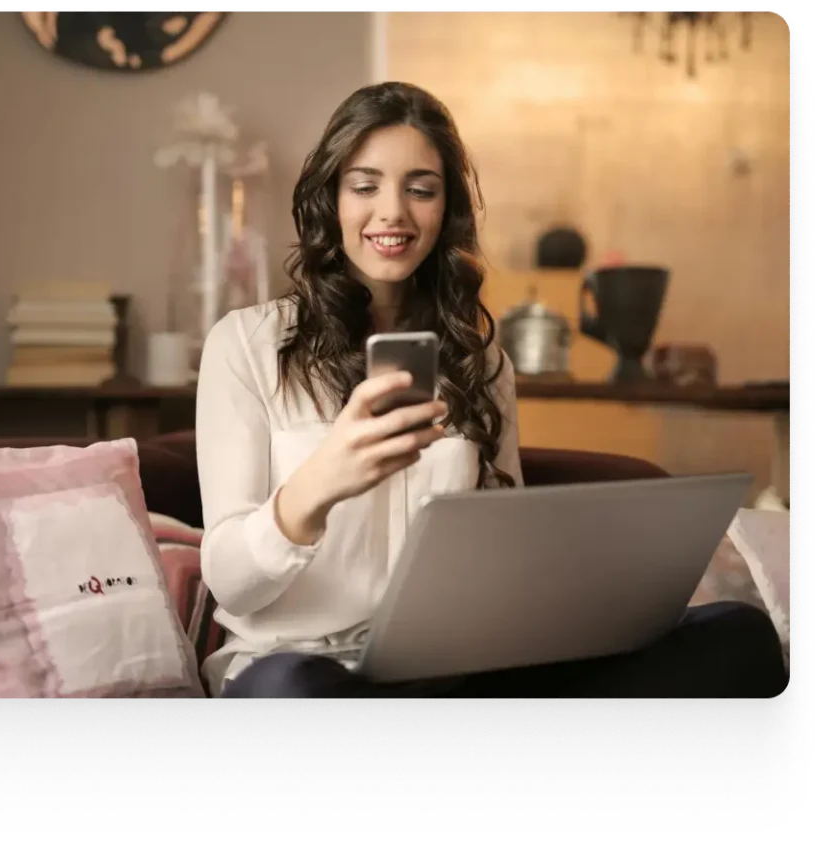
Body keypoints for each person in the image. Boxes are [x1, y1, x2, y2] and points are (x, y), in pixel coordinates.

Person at [193, 82, 788, 700]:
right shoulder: (248, 346)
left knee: (736, 636)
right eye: (365, 186)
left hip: (451, 674)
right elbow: (232, 582)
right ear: (330, 200)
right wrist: (318, 486)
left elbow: (504, 553)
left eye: (420, 189)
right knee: (297, 692)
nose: (392, 211)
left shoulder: (482, 364)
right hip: (301, 670)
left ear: (445, 210)